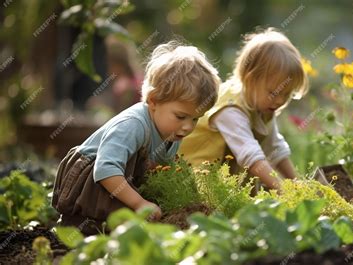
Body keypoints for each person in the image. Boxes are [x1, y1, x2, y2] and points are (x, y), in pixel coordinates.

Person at [52, 41, 220, 235]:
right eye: (181, 116)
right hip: (89, 182)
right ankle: (77, 226)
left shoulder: (173, 131)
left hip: (118, 177)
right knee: (95, 227)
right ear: (153, 101)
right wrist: (140, 203)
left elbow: (163, 172)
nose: (188, 126)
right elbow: (105, 170)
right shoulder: (133, 125)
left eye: (196, 119)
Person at [179, 28, 309, 192]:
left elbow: (275, 149)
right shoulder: (230, 110)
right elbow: (251, 157)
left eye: (287, 93)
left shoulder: (263, 105)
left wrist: (297, 184)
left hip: (223, 184)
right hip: (194, 179)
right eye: (273, 93)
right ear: (250, 79)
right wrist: (284, 190)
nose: (280, 100)